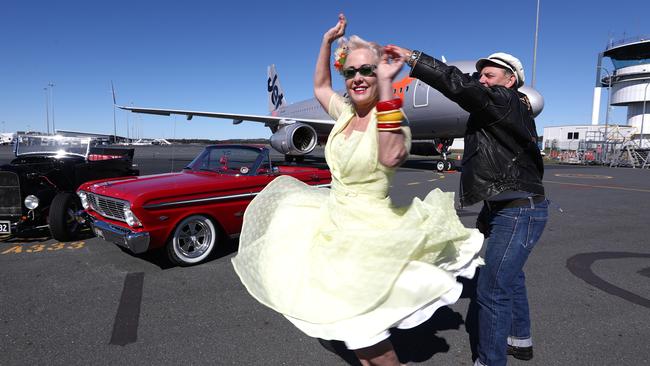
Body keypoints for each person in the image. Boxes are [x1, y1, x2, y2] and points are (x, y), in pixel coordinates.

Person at [231, 14, 483, 366]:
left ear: (378, 73)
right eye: (350, 73)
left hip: (367, 234)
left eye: (366, 70)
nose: (358, 78)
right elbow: (321, 87)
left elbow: (393, 153)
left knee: (368, 338)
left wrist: (385, 89)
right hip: (333, 222)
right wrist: (325, 42)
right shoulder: (345, 113)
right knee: (354, 333)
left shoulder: (389, 118)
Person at [387, 45, 548, 365]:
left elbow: (456, 84)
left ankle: (489, 361)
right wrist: (488, 213)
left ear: (510, 80)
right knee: (510, 277)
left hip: (519, 210)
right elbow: (510, 171)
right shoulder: (506, 110)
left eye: (489, 75)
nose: (483, 80)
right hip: (512, 205)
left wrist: (414, 59)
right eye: (481, 76)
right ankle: (520, 340)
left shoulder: (502, 100)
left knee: (490, 290)